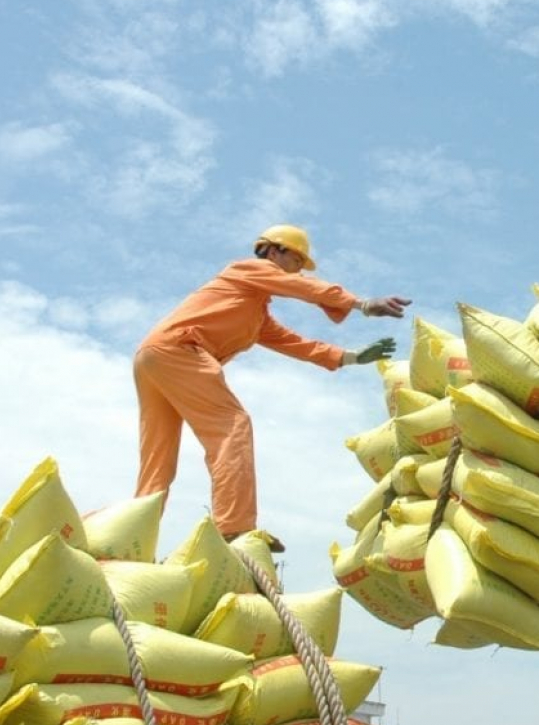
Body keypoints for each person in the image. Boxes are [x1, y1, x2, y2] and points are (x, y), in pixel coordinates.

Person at [133, 225, 410, 552]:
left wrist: (350, 357)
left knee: (159, 459)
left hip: (153, 357)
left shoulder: (254, 312)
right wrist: (361, 304)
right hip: (178, 350)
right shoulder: (246, 269)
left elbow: (296, 343)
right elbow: (296, 286)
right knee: (233, 426)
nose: (298, 270)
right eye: (297, 260)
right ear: (275, 250)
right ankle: (234, 528)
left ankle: (131, 535)